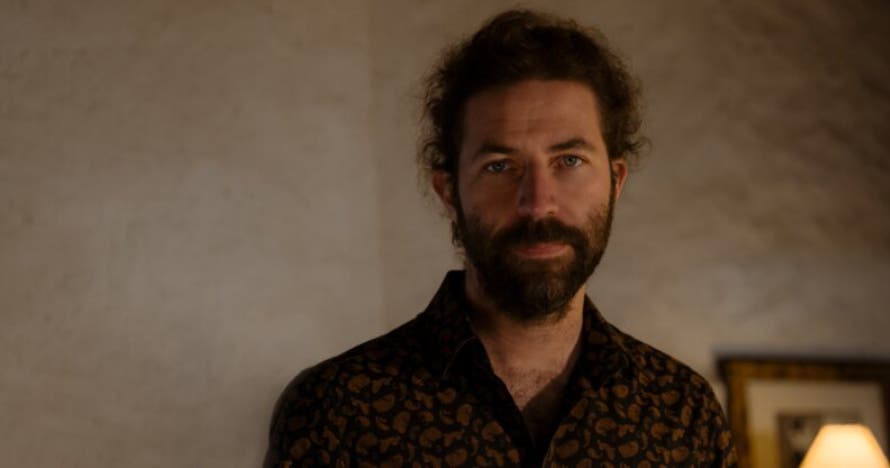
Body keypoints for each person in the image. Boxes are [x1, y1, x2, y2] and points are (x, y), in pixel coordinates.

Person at [264, 9, 737, 467]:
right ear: (449, 192)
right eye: (500, 166)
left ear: (615, 182)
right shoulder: (337, 413)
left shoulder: (683, 416)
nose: (537, 202)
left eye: (569, 161)